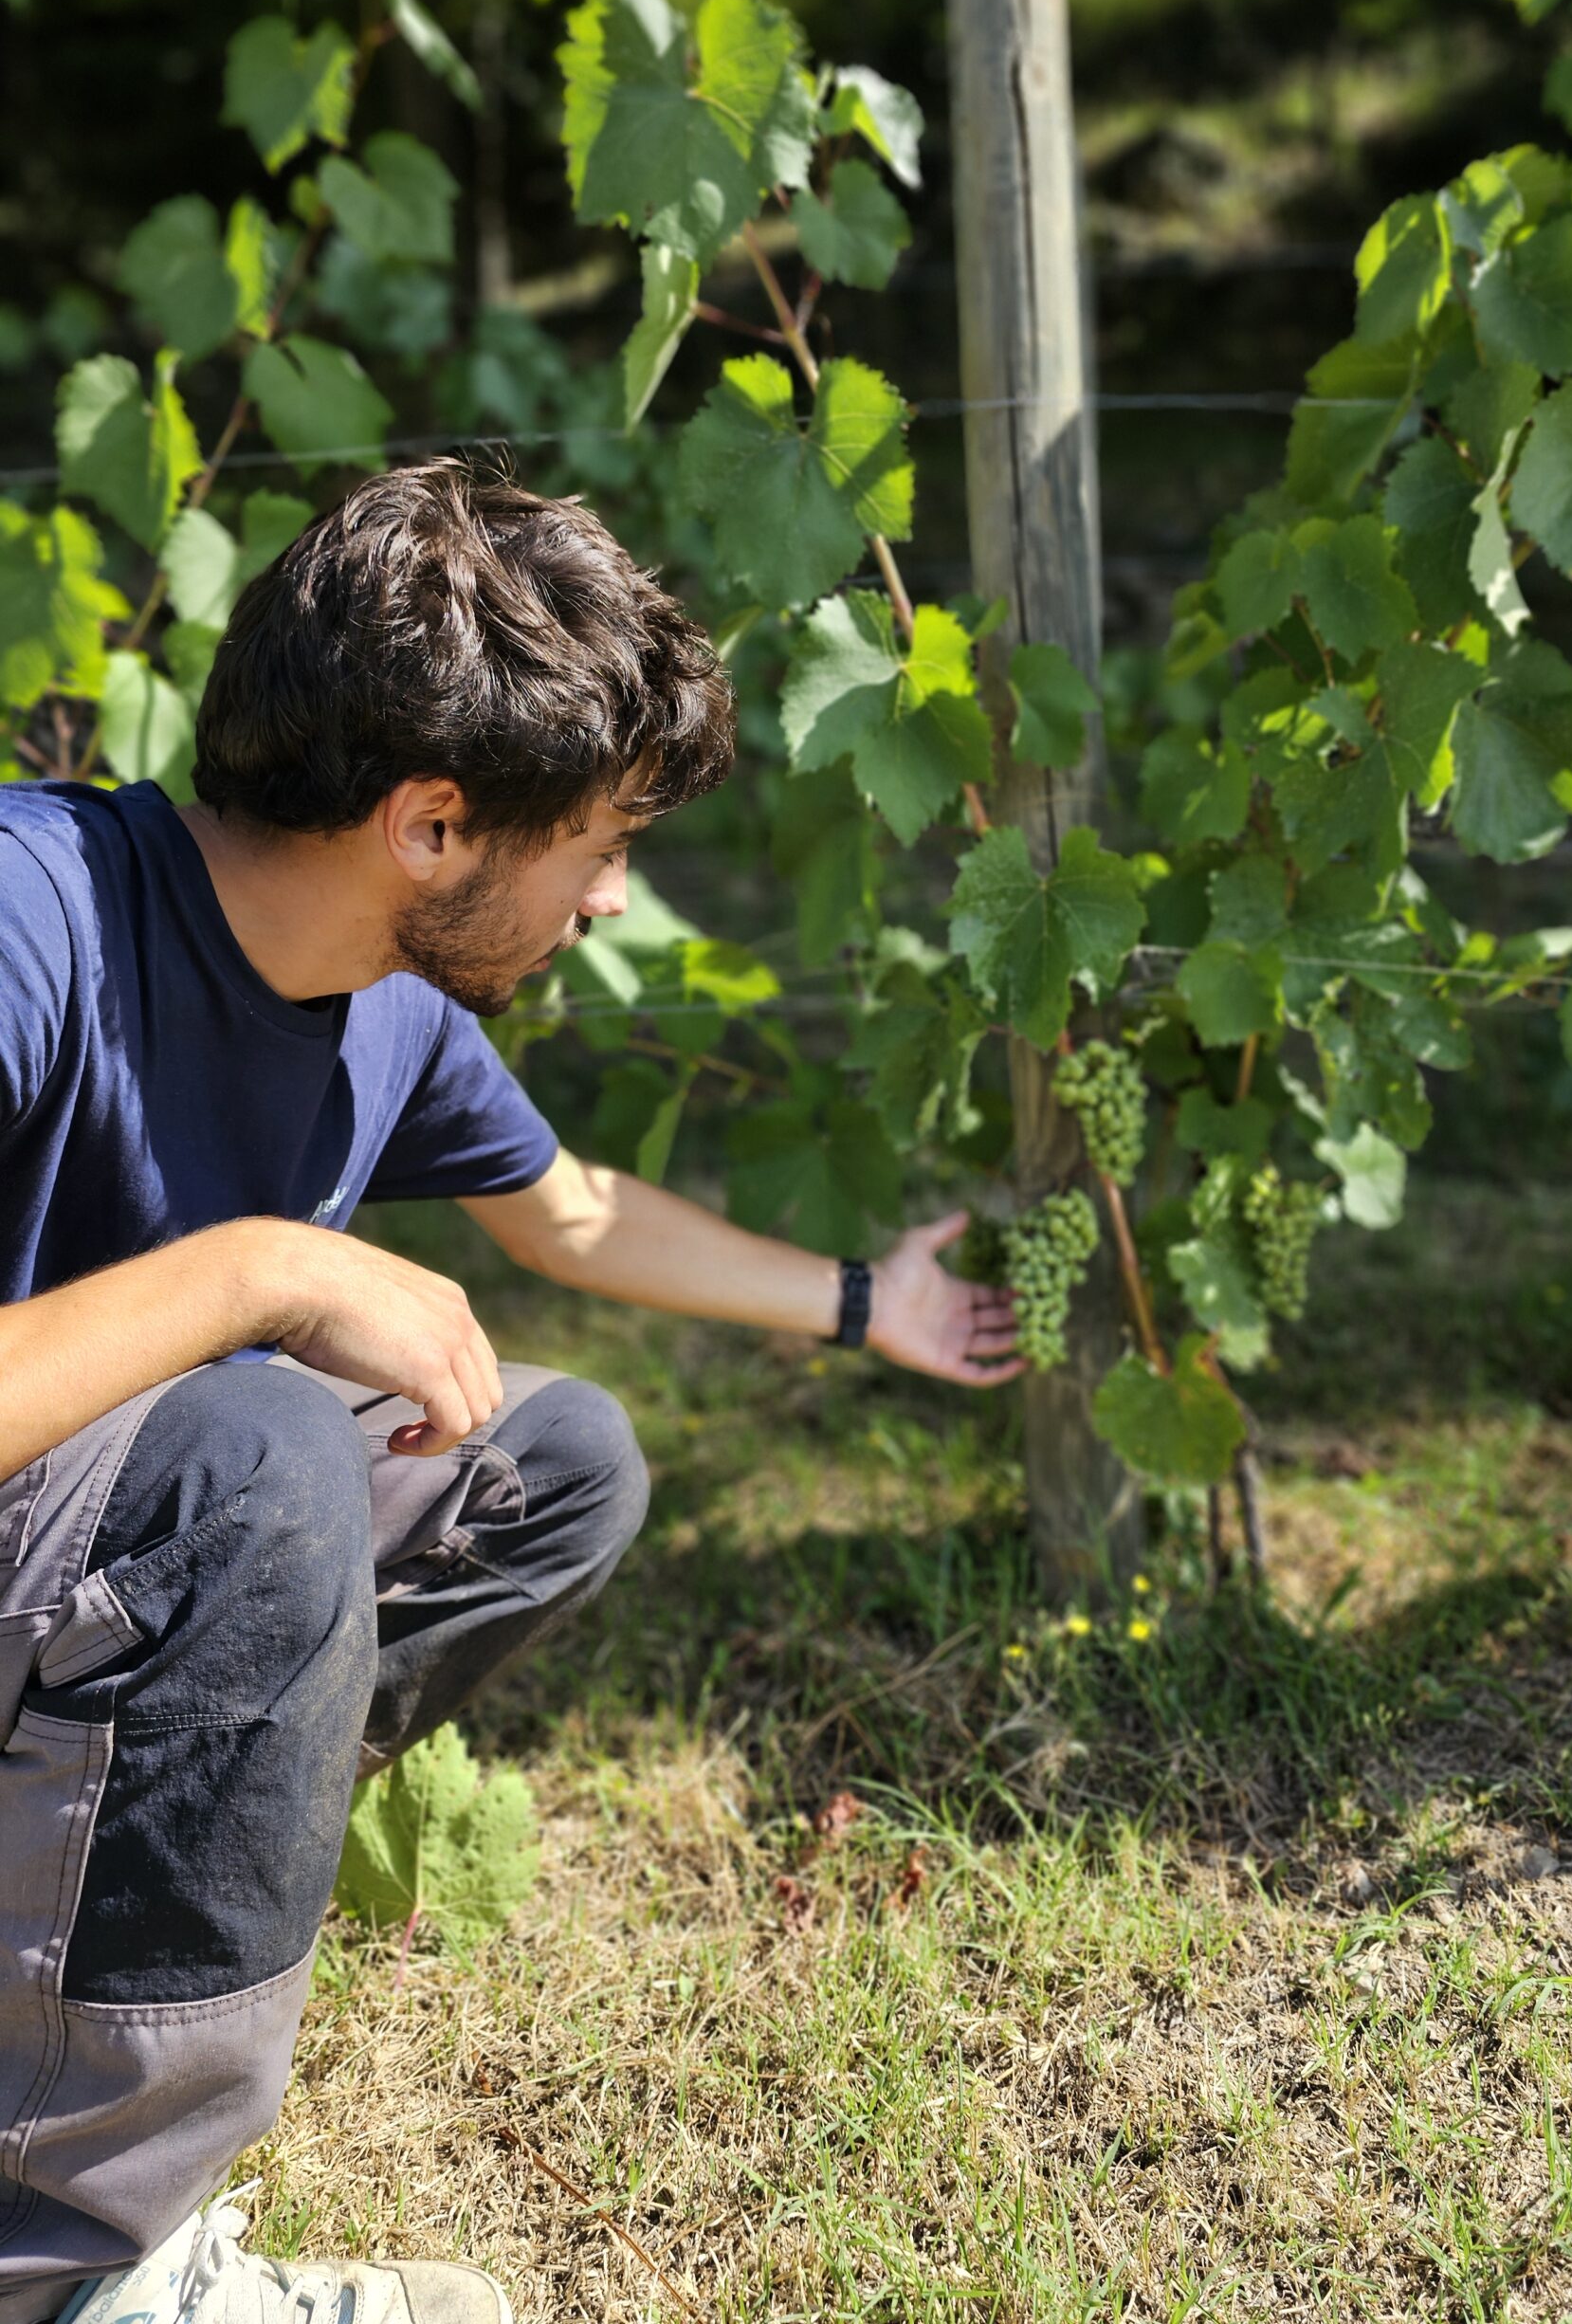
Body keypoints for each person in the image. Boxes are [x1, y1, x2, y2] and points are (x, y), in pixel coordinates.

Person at [0, 461, 1024, 2324]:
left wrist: (880, 1299)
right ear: (437, 819)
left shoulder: (385, 1010)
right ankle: (75, 2272)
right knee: (264, 1450)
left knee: (551, 1457)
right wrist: (270, 1267)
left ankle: (91, 1918)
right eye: (607, 836)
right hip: (70, 1536)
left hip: (65, 1580)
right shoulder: (31, 911)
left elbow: (570, 1215)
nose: (615, 893)